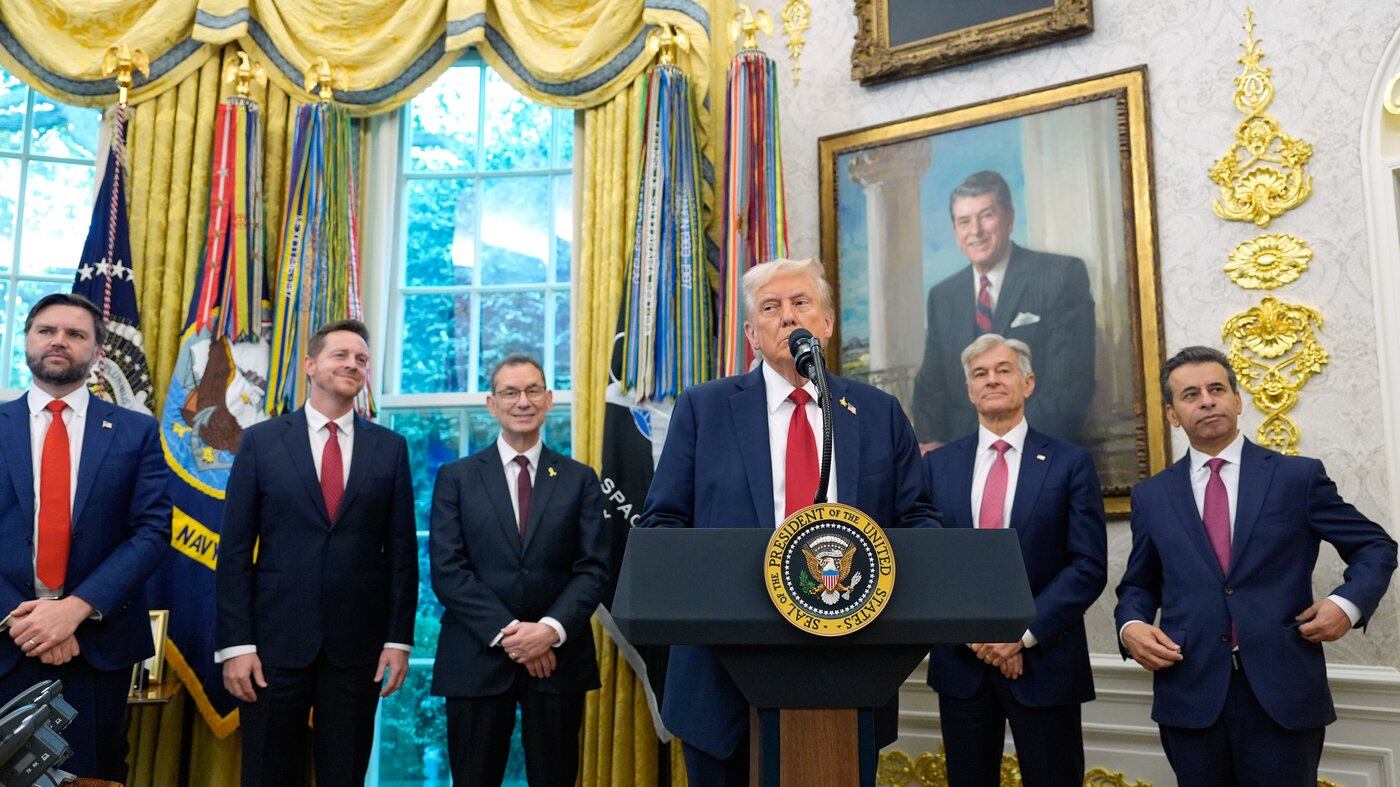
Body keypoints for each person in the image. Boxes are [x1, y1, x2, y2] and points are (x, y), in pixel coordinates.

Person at [640, 258, 941, 786]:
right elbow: (663, 524)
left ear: (826, 323)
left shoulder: (877, 412)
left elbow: (917, 520)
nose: (787, 316)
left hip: (850, 669)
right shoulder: (704, 409)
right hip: (722, 674)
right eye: (770, 308)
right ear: (752, 335)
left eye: (801, 303)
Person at [1115, 345, 1397, 786]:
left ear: (1237, 399)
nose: (1206, 401)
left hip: (1283, 692)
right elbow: (1139, 585)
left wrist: (1346, 605)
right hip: (1190, 694)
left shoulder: (1296, 478)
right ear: (1172, 414)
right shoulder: (1152, 496)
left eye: (1216, 389)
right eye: (1190, 395)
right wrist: (1130, 626)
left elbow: (1375, 546)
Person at [215, 319, 417, 787]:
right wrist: (237, 646)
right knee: (267, 775)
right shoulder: (261, 441)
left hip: (357, 649)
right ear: (310, 364)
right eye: (340, 355)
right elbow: (235, 552)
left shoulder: (390, 448)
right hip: (272, 648)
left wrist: (398, 641)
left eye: (361, 359)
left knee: (344, 775)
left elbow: (402, 553)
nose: (352, 364)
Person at [921, 334, 1106, 786]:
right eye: (980, 374)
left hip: (1047, 664)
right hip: (963, 667)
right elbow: (931, 561)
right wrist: (980, 636)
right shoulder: (937, 467)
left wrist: (1019, 637)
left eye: (1003, 370)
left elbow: (1087, 566)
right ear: (969, 390)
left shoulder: (1070, 463)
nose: (991, 380)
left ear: (1028, 382)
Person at [0, 293, 171, 780]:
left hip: (96, 647)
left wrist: (73, 610)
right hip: (5, 641)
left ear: (97, 352)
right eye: (47, 330)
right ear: (27, 341)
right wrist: (25, 620)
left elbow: (152, 531)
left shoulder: (137, 432)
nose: (59, 341)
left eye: (75, 334)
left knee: (92, 775)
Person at [429, 354, 609, 786]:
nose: (522, 401)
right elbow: (448, 569)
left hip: (558, 662)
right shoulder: (456, 478)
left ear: (548, 400)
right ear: (492, 404)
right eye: (510, 392)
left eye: (532, 391)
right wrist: (516, 636)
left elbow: (594, 568)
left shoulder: (580, 479)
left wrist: (548, 631)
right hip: (475, 659)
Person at [912, 170, 1095, 450]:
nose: (976, 231)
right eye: (964, 221)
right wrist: (949, 454)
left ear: (1009, 218)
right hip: (962, 457)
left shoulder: (1060, 275)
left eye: (986, 215)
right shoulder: (942, 296)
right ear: (955, 230)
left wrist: (1003, 446)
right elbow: (930, 391)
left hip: (1040, 450)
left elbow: (1068, 387)